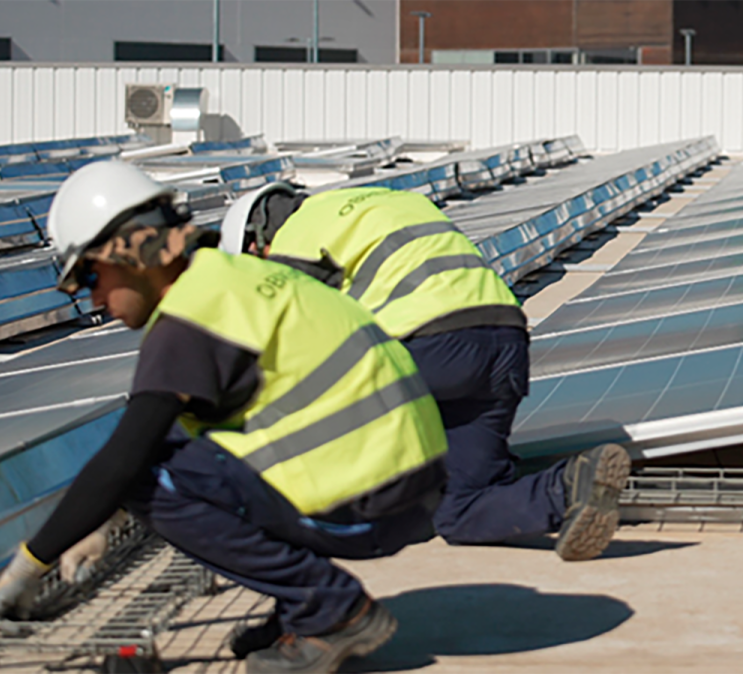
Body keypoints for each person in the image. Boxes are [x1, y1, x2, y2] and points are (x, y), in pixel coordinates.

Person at [0, 162, 448, 674]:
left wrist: (31, 564)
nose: (94, 299)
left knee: (150, 481)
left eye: (91, 276)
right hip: (408, 485)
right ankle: (299, 610)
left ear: (130, 253)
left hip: (370, 500)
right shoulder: (232, 278)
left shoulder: (188, 319)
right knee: (181, 462)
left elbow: (123, 459)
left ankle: (328, 609)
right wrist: (105, 520)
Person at [220, 183, 631, 563]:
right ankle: (569, 487)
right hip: (505, 343)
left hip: (425, 346)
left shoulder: (297, 237)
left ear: (258, 241)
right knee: (461, 509)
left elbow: (293, 335)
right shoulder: (393, 200)